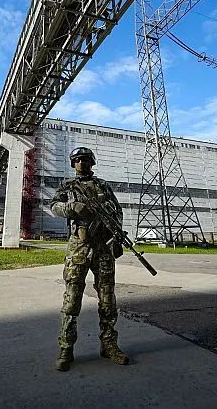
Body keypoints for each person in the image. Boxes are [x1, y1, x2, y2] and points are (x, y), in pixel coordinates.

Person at [50, 146, 129, 371]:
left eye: (85, 159)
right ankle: (66, 347)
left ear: (92, 162)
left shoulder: (103, 185)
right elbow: (54, 206)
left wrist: (116, 236)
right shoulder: (67, 185)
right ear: (73, 163)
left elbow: (117, 211)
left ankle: (109, 344)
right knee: (72, 298)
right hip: (79, 247)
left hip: (103, 247)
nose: (81, 163)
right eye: (77, 160)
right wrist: (71, 207)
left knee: (107, 299)